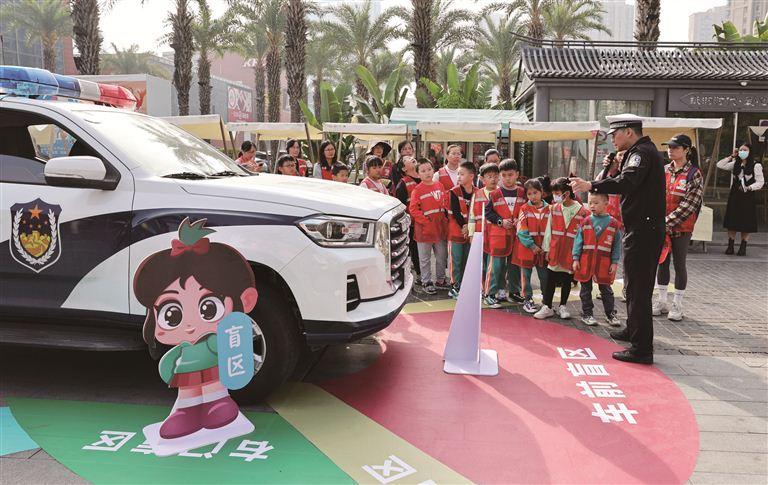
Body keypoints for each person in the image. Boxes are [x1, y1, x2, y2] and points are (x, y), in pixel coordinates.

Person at [571, 114, 666, 365]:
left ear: (629, 132)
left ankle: (641, 349)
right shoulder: (640, 152)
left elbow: (627, 182)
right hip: (641, 228)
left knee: (639, 289)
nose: (612, 139)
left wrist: (591, 185)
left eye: (615, 134)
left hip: (644, 230)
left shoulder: (641, 153)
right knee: (633, 286)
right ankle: (633, 330)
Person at [653, 134, 704, 321]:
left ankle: (677, 304)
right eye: (669, 147)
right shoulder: (663, 170)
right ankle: (661, 301)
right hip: (662, 226)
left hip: (682, 227)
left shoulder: (694, 173)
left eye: (675, 147)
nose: (670, 150)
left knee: (679, 264)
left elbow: (690, 204)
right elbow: (655, 197)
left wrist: (666, 223)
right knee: (662, 262)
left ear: (686, 150)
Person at [534, 177, 589, 320]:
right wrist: (547, 249)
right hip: (555, 249)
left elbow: (585, 235)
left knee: (567, 278)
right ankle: (547, 306)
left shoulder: (582, 211)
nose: (555, 196)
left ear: (567, 193)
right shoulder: (554, 208)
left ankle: (562, 306)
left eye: (557, 193)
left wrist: (580, 255)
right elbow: (549, 229)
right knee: (551, 278)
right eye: (554, 193)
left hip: (571, 251)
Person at [572, 193, 623, 327]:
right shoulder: (585, 222)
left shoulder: (614, 224)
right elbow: (578, 241)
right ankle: (587, 314)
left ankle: (610, 314)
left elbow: (617, 245)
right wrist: (575, 258)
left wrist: (614, 262)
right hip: (586, 262)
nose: (592, 206)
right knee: (585, 290)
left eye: (596, 203)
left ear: (606, 204)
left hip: (604, 264)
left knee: (606, 290)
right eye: (590, 203)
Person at [484, 159, 527, 304]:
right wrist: (501, 221)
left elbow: (528, 210)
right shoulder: (495, 194)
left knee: (515, 266)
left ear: (517, 175)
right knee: (496, 267)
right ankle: (490, 294)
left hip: (517, 237)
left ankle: (514, 292)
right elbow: (488, 213)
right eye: (503, 175)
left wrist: (520, 220)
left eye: (510, 175)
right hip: (499, 237)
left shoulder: (523, 193)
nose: (507, 178)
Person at [409, 159, 449, 295]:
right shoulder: (417, 190)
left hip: (440, 228)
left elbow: (445, 203)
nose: (427, 173)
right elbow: (413, 210)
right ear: (418, 174)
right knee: (425, 258)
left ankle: (441, 280)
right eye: (423, 171)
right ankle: (426, 281)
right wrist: (426, 222)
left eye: (429, 169)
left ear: (433, 170)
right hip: (424, 230)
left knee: (442, 256)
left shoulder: (439, 185)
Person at [717, 143, 764, 256]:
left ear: (750, 152)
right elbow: (720, 165)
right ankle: (730, 246)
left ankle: (743, 246)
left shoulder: (756, 165)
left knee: (746, 221)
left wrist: (750, 187)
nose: (742, 152)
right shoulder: (736, 164)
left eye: (745, 150)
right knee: (732, 220)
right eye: (741, 150)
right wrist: (732, 156)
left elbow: (760, 182)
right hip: (735, 195)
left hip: (748, 195)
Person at [512, 178, 550, 314]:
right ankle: (527, 299)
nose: (533, 196)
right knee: (525, 277)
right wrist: (532, 245)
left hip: (543, 250)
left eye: (535, 193)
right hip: (526, 249)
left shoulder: (550, 209)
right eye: (529, 194)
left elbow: (552, 230)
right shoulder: (524, 209)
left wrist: (546, 247)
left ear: (541, 192)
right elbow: (521, 230)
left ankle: (546, 301)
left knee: (545, 276)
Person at [446, 161, 481, 299]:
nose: (458, 177)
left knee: (467, 261)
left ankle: (464, 286)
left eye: (461, 174)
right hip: (456, 232)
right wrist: (464, 226)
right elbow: (455, 213)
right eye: (458, 174)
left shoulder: (478, 192)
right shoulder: (454, 191)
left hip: (470, 234)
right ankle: (454, 286)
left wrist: (469, 228)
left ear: (471, 176)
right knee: (456, 261)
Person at [473, 163, 503, 308]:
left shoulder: (501, 193)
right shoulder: (478, 194)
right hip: (480, 234)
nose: (493, 179)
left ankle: (492, 291)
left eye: (495, 176)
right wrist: (472, 234)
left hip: (496, 235)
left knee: (495, 265)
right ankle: (483, 290)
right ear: (482, 179)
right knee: (482, 265)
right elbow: (472, 215)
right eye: (489, 176)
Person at [394, 155, 421, 285]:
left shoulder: (426, 177)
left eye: (411, 157)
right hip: (413, 225)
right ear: (404, 168)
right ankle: (421, 276)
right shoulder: (402, 184)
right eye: (406, 159)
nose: (411, 158)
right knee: (416, 251)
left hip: (431, 224)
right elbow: (401, 208)